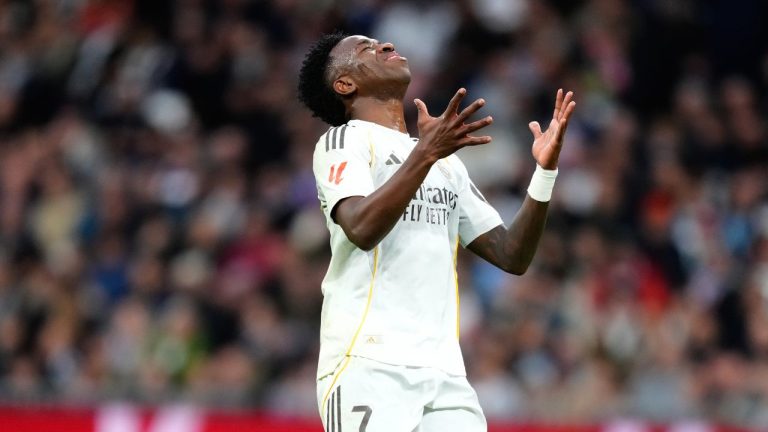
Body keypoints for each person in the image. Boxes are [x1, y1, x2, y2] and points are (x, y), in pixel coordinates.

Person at [297, 32, 575, 432]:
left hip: (445, 375)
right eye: (366, 48)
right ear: (345, 84)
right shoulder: (344, 141)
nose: (386, 47)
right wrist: (425, 153)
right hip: (368, 363)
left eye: (383, 43)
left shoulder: (445, 163)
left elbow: (512, 255)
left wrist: (545, 173)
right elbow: (360, 227)